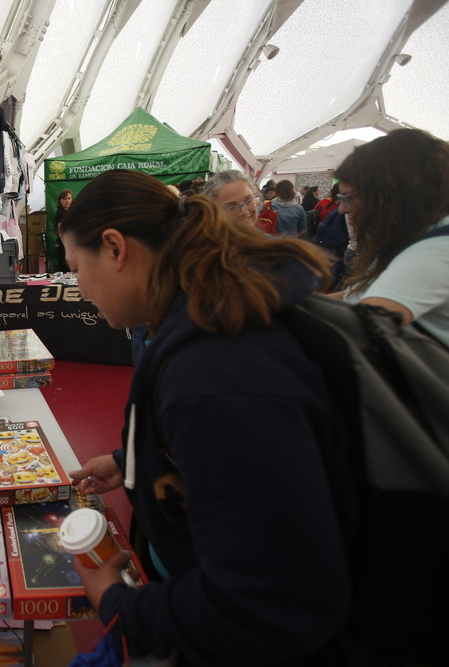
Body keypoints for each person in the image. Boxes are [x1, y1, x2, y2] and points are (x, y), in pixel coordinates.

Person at [61, 170, 387, 665]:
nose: (80, 287)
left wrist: (117, 601)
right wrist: (131, 459)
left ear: (114, 248)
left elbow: (266, 605)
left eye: (76, 267)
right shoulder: (207, 319)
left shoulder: (212, 369)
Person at [332, 128, 449, 348]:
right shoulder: (409, 240)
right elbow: (351, 297)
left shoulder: (434, 252)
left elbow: (367, 326)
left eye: (348, 198)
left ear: (389, 197)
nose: (341, 210)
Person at [53, 188, 73, 272]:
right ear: (60, 200)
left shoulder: (70, 212)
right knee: (66, 270)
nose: (67, 201)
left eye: (69, 198)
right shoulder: (60, 213)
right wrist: (68, 246)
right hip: (63, 245)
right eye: (64, 199)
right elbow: (61, 233)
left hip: (70, 244)